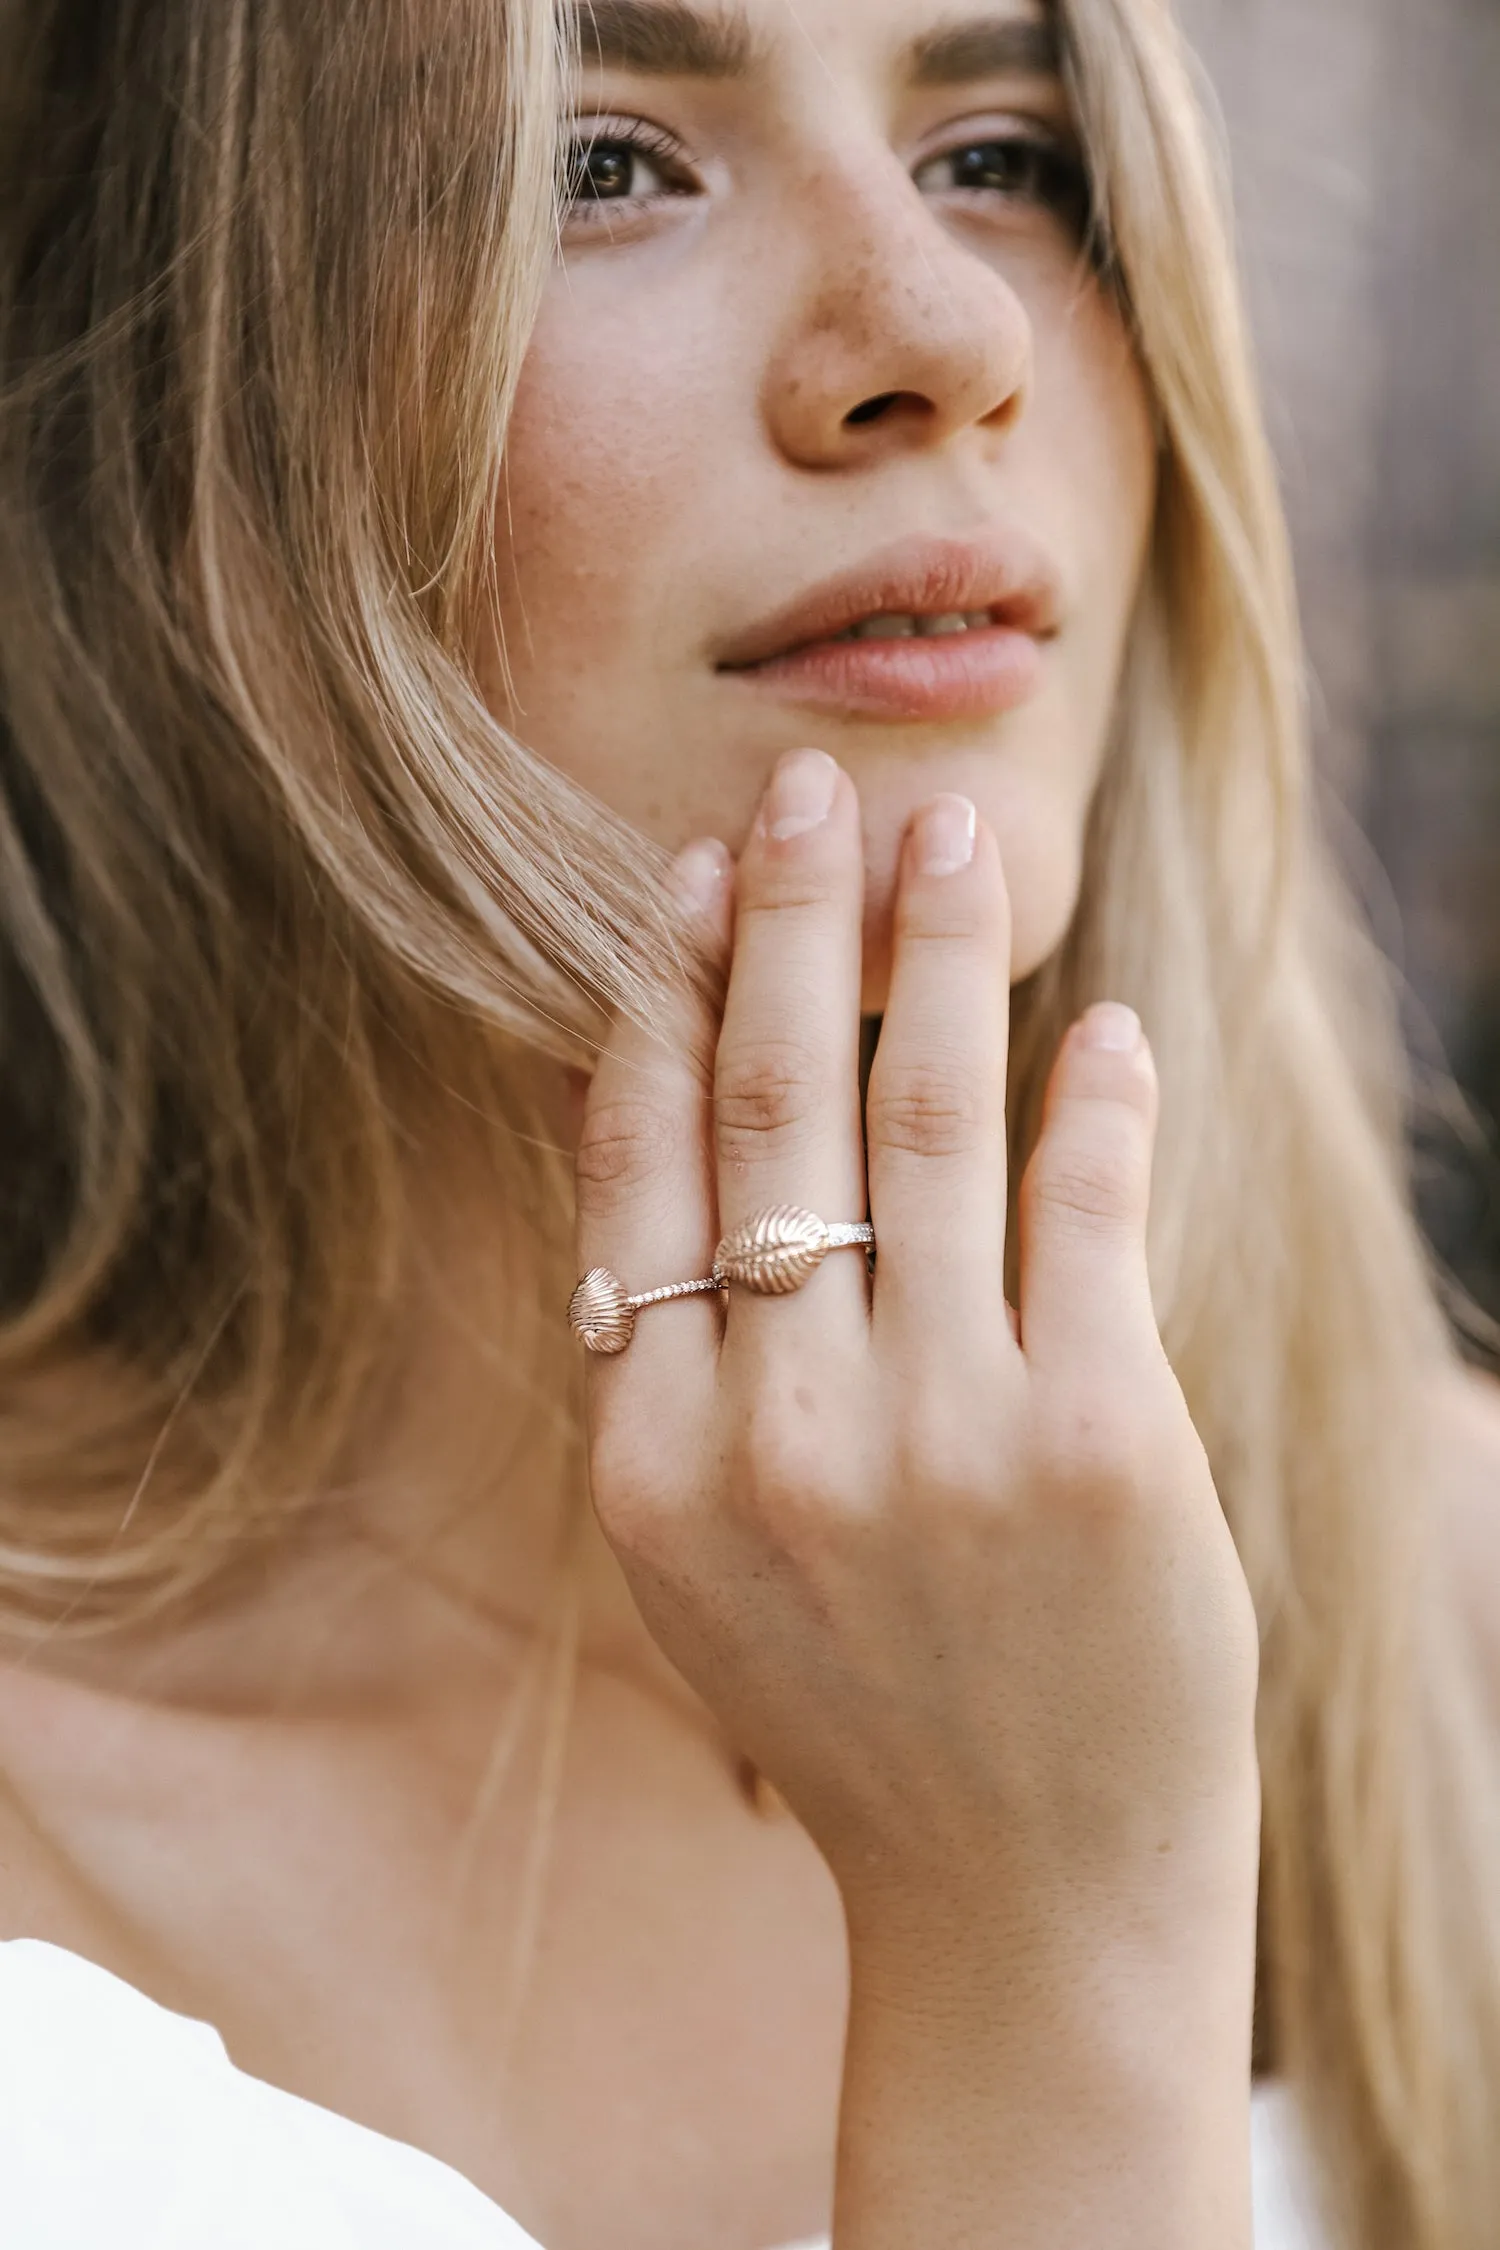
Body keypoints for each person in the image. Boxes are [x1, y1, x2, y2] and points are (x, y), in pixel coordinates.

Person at [0, 0, 1497, 2245]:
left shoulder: (1463, 1618)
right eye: (601, 164)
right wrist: (1048, 1951)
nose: (943, 329)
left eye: (1005, 152)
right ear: (163, 440)